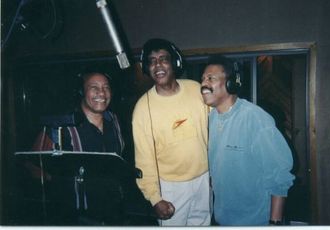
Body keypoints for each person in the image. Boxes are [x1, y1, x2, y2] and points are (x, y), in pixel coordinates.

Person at [200, 55, 295, 226]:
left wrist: (274, 223)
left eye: (210, 78)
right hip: (223, 219)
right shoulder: (209, 119)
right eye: (202, 79)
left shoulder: (255, 119)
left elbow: (279, 178)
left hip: (256, 221)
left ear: (231, 83)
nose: (203, 84)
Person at [26, 72, 126, 225]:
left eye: (106, 87)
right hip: (78, 217)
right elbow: (33, 165)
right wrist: (62, 181)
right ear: (81, 92)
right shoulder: (62, 125)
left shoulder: (114, 120)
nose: (102, 92)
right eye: (94, 87)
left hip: (113, 212)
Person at [132, 38, 211, 226]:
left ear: (175, 63)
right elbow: (144, 160)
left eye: (163, 59)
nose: (157, 65)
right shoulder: (142, 109)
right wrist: (154, 198)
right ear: (146, 68)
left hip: (204, 179)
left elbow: (217, 126)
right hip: (170, 187)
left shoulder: (196, 89)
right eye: (151, 61)